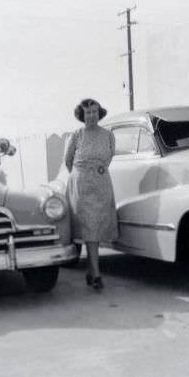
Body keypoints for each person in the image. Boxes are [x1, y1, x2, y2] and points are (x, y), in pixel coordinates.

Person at [64, 98, 118, 291]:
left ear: (99, 113)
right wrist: (81, 176)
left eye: (94, 111)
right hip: (82, 185)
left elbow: (109, 158)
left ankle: (90, 270)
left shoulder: (108, 135)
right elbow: (68, 160)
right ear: (82, 115)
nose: (91, 115)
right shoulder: (76, 135)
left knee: (95, 228)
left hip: (101, 184)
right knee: (89, 227)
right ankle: (96, 274)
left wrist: (97, 171)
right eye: (87, 112)